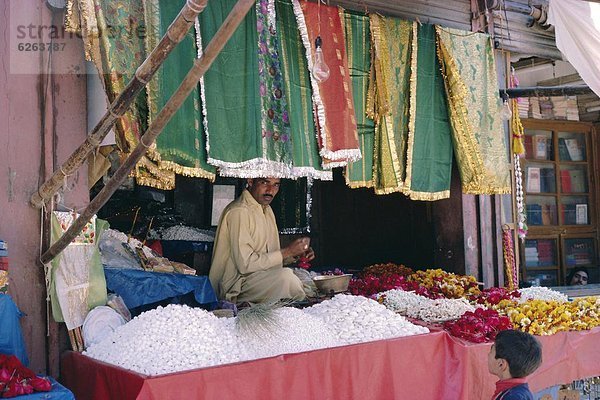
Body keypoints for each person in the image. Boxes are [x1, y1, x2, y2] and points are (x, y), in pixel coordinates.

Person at [209, 178, 314, 304]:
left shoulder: (267, 210)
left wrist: (296, 254)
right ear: (251, 181)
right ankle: (308, 302)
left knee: (303, 277)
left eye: (276, 185)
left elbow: (269, 256)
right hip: (237, 286)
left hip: (261, 280)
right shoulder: (239, 211)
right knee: (287, 278)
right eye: (265, 183)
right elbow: (246, 265)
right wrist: (287, 252)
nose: (270, 190)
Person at [488, 330, 543, 400]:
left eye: (491, 349)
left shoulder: (513, 397)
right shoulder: (518, 392)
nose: (488, 354)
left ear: (501, 364)